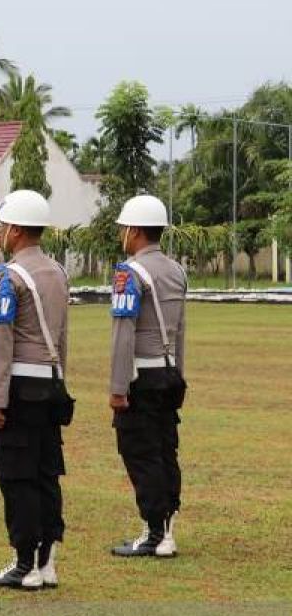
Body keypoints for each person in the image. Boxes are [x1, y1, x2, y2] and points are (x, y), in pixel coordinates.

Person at [0, 190, 73, 590]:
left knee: (17, 476)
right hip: (51, 384)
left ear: (16, 229)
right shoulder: (59, 273)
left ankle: (24, 564)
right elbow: (63, 337)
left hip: (19, 386)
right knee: (46, 473)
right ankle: (46, 561)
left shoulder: (7, 275)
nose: (0, 232)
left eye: (3, 225)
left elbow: (0, 341)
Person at [108, 195, 188, 558]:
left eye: (125, 228)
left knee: (140, 451)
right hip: (168, 373)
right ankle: (166, 527)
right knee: (164, 449)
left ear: (136, 231)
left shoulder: (129, 273)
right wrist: (178, 373)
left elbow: (123, 335)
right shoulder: (177, 271)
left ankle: (155, 532)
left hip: (141, 375)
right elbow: (180, 330)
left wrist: (117, 386)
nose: (123, 234)